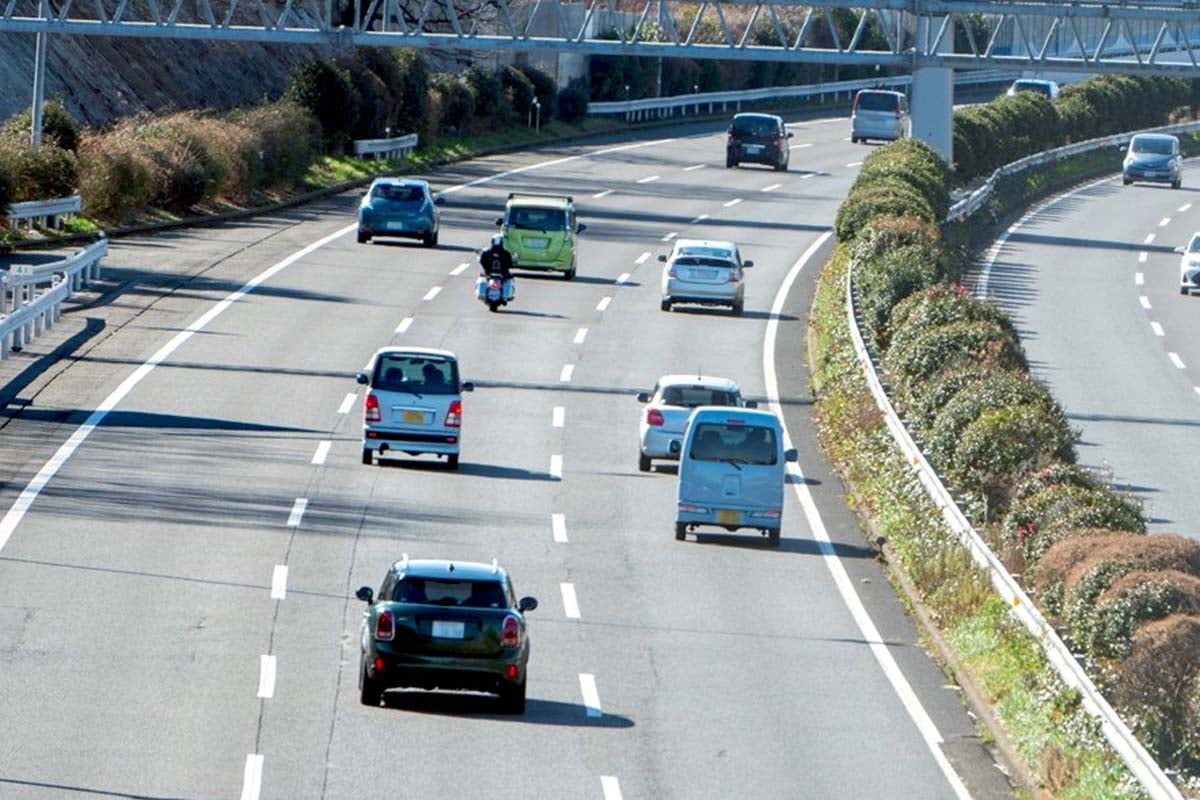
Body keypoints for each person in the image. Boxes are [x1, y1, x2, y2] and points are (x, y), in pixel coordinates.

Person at [479, 234, 515, 301]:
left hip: (489, 273)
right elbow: (510, 264)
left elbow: (482, 261)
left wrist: (486, 269)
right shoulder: (506, 253)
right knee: (511, 278)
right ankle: (508, 295)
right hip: (502, 274)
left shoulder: (487, 252)